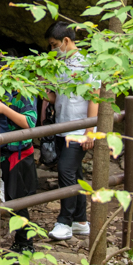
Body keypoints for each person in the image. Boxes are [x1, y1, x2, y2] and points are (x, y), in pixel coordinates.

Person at [44, 22, 96, 242]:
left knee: (66, 171)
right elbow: (56, 98)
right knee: (75, 174)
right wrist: (39, 87)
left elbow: (95, 96)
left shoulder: (87, 65)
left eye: (54, 45)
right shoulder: (60, 64)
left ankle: (64, 221)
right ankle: (81, 221)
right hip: (61, 127)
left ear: (66, 41)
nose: (53, 49)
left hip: (78, 129)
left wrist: (90, 131)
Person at [0, 85, 38, 252]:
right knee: (11, 198)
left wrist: (3, 109)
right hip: (4, 153)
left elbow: (29, 122)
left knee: (18, 199)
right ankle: (21, 240)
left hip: (19, 153)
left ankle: (26, 244)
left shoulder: (22, 94)